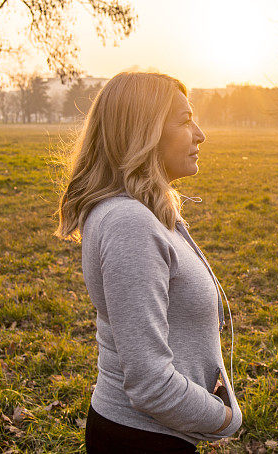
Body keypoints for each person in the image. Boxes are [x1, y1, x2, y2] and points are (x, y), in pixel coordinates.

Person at [53, 72, 242, 453]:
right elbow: (149, 384)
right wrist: (225, 418)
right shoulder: (129, 224)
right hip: (141, 438)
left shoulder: (143, 213)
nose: (200, 134)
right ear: (145, 132)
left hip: (153, 433)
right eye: (186, 121)